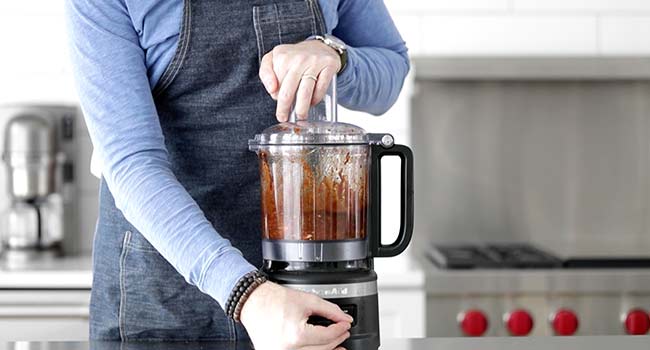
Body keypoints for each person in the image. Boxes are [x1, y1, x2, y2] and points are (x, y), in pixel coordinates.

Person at [65, 0, 409, 349]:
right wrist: (248, 294)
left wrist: (336, 54)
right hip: (163, 293)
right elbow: (132, 162)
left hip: (301, 293)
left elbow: (391, 68)